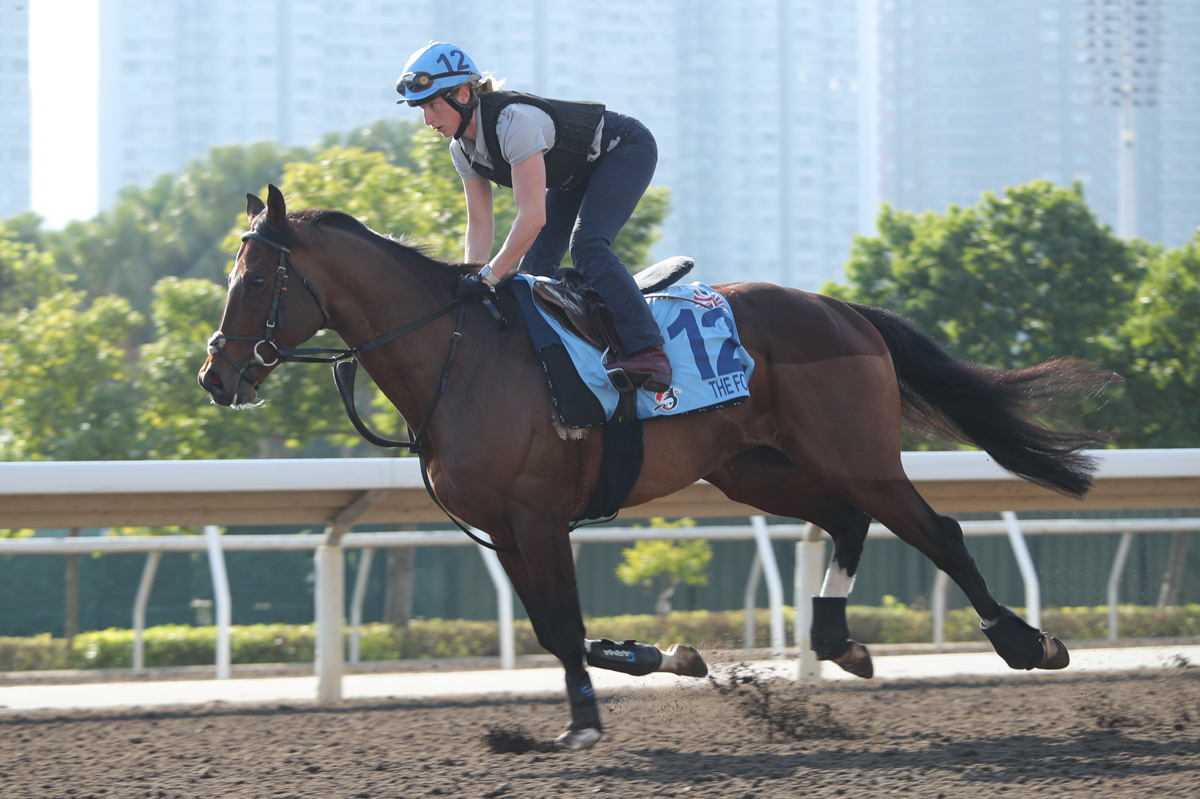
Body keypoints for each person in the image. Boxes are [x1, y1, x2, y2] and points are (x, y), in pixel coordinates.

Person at [396, 41, 672, 392]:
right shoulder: (461, 151)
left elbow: (532, 217)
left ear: (463, 95)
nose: (427, 119)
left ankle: (649, 351)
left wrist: (489, 278)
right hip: (576, 172)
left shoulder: (513, 123)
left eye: (433, 105)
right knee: (532, 274)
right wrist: (472, 281)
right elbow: (480, 224)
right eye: (421, 108)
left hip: (625, 149)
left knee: (587, 246)